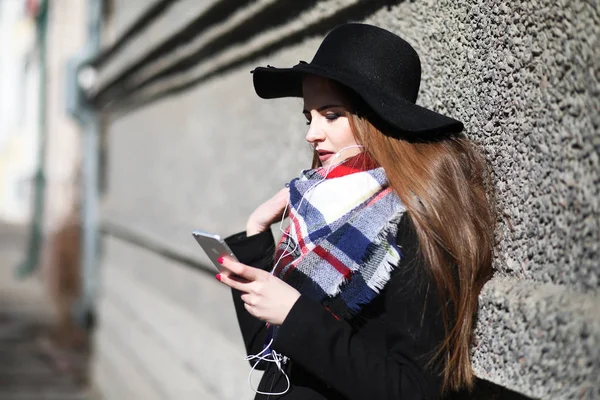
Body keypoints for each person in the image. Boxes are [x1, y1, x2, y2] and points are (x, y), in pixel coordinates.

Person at [216, 23, 495, 399]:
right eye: (309, 117)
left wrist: (296, 313)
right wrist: (255, 233)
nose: (311, 134)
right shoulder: (318, 218)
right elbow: (267, 361)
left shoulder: (411, 224)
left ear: (376, 120)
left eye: (331, 115)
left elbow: (414, 389)